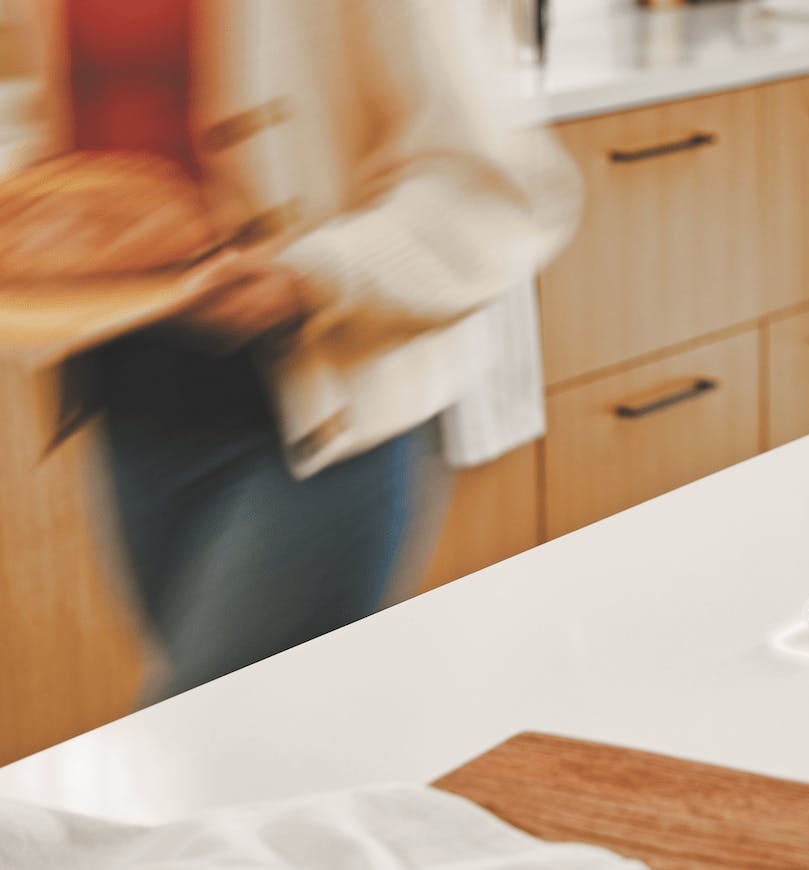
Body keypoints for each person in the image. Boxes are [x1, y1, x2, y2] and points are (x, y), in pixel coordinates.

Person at [0, 0, 580, 699]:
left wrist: (313, 277)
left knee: (207, 724)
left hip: (316, 398)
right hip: (131, 388)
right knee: (258, 734)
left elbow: (492, 186)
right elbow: (47, 115)